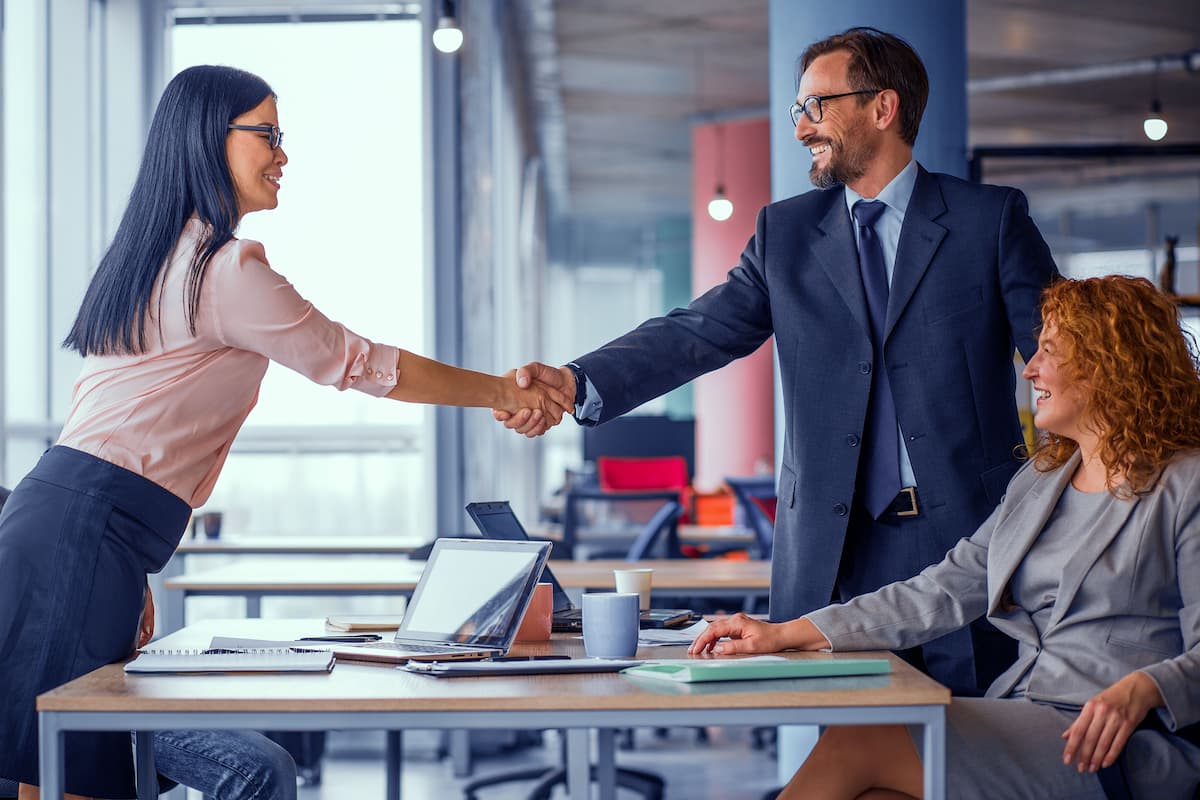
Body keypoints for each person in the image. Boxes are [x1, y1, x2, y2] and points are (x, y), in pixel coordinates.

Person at [0, 65, 568, 800]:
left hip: (67, 522)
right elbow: (360, 364)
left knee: (53, 769)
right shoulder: (223, 268)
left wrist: (125, 562)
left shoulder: (146, 260)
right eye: (266, 134)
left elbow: (110, 426)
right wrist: (501, 390)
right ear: (212, 139)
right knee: (69, 774)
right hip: (86, 531)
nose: (282, 154)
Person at [497, 27, 1059, 695]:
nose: (801, 129)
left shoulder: (987, 220)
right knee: (850, 744)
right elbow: (698, 330)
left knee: (968, 743)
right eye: (799, 110)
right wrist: (576, 380)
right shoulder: (786, 233)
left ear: (884, 108)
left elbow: (1065, 357)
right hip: (833, 549)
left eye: (817, 107)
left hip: (966, 538)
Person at [690, 275, 1200, 800]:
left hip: (1123, 742)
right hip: (1025, 712)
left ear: (1110, 363)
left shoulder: (1187, 484)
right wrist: (785, 632)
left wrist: (1147, 687)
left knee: (866, 735)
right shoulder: (1040, 481)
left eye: (1049, 350)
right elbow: (942, 590)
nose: (1031, 368)